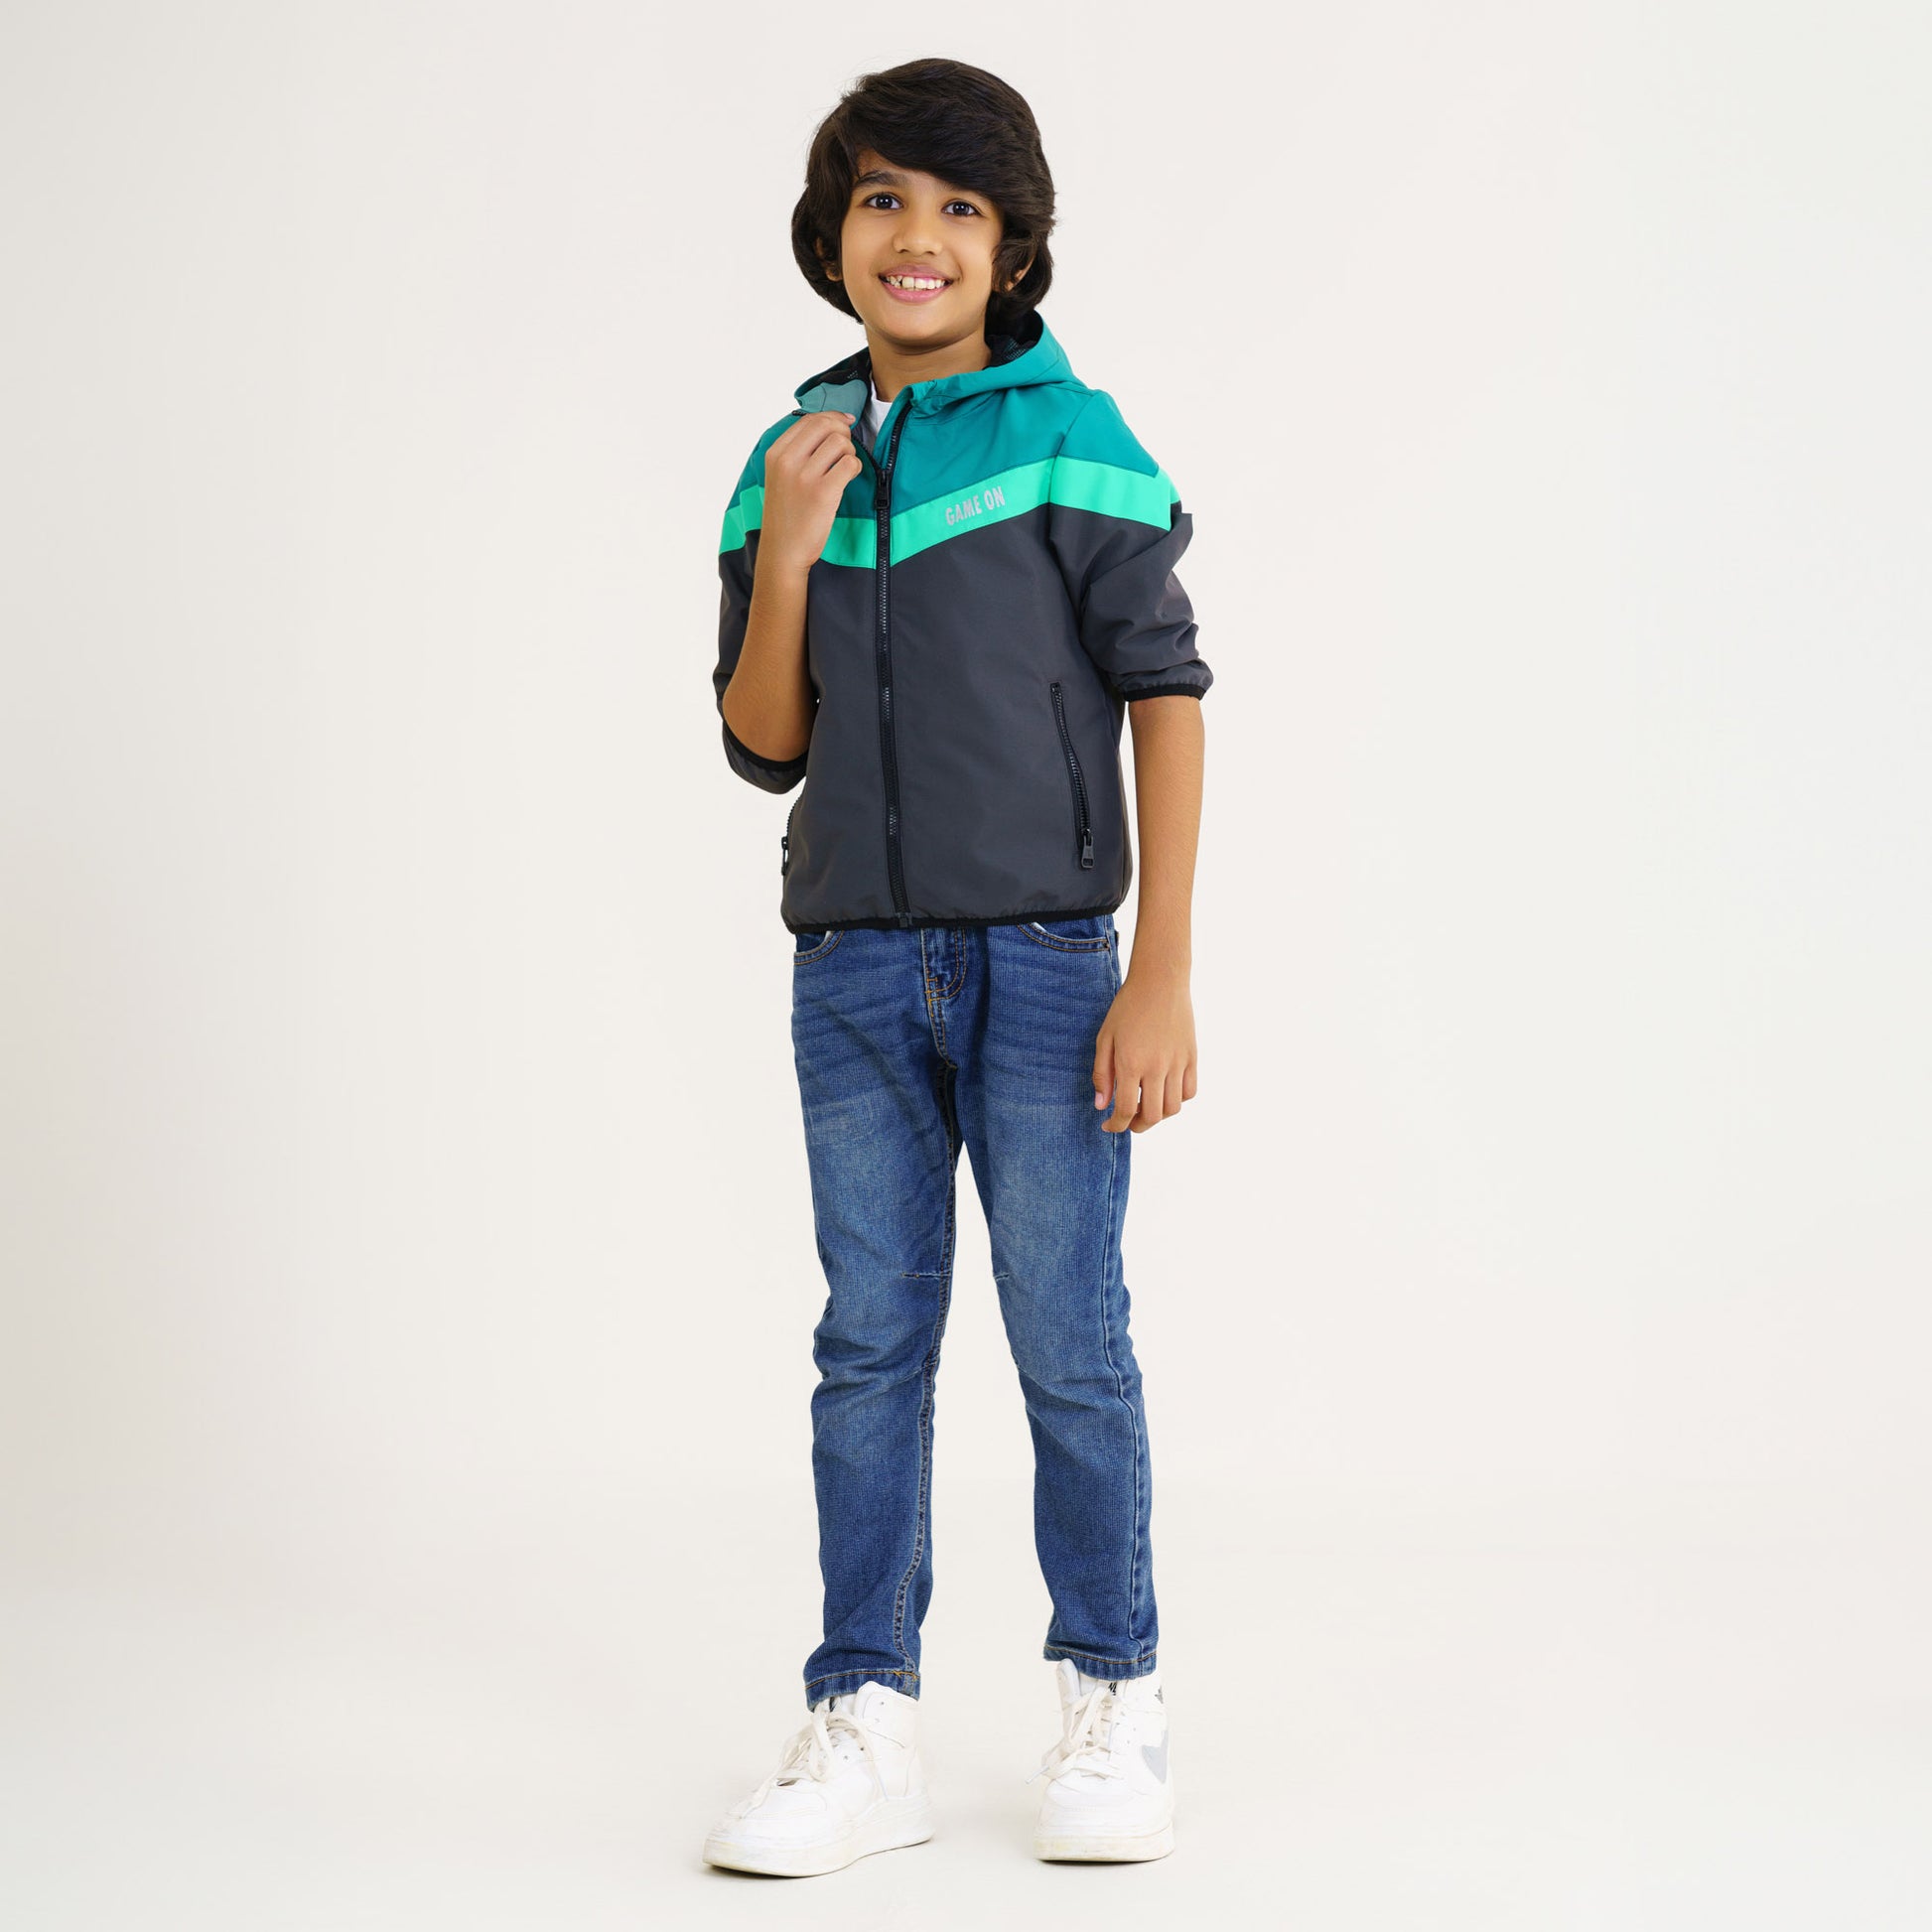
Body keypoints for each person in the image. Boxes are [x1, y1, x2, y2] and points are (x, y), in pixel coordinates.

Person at [701, 57, 1211, 1875]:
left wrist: (1160, 970)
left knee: (1070, 1340)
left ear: (1011, 246)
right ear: (831, 232)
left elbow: (1165, 692)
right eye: (882, 200)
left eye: (957, 206)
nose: (914, 236)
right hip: (850, 967)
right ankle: (866, 1719)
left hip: (1052, 963)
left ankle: (1113, 1691)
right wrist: (790, 555)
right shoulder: (789, 454)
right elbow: (763, 741)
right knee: (868, 1346)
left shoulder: (1072, 435)